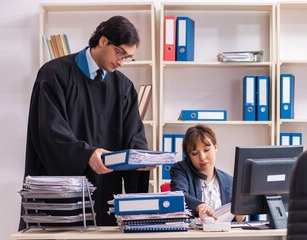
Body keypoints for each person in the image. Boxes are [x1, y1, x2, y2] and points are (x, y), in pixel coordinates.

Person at [19, 15, 153, 230]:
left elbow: (134, 135)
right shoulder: (55, 74)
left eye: (128, 57)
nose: (121, 62)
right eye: (120, 53)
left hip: (106, 193)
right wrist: (85, 154)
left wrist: (140, 160)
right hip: (63, 193)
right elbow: (49, 130)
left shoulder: (124, 87)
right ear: (103, 41)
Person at [170, 124, 245, 222]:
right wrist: (200, 206)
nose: (202, 157)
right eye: (195, 153)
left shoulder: (230, 181)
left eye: (206, 150)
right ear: (188, 155)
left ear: (216, 148)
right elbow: (179, 194)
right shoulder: (180, 169)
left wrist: (240, 217)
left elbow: (234, 220)